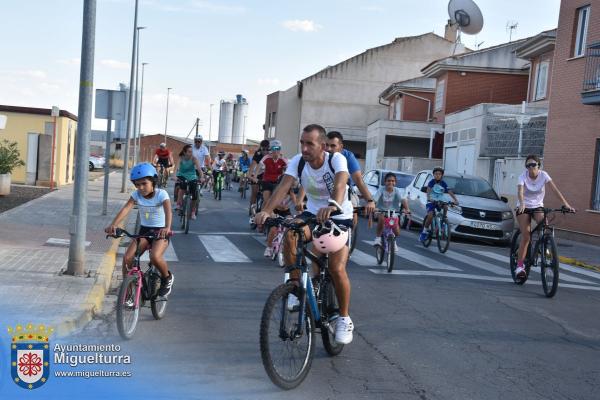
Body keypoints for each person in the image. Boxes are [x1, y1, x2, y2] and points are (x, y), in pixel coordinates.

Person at [255, 124, 355, 345]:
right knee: (291, 233)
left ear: (322, 146)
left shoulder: (335, 160)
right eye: (302, 142)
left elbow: (340, 183)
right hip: (312, 213)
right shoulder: (298, 161)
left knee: (337, 269)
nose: (305, 147)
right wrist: (266, 211)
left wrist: (333, 205)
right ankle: (294, 288)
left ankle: (345, 319)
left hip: (338, 215)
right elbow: (284, 186)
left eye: (310, 143)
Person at [104, 163, 174, 297]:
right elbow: (126, 208)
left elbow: (168, 211)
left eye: (144, 183)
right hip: (144, 231)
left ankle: (167, 278)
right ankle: (128, 294)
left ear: (153, 181)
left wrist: (167, 227)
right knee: (127, 258)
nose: (140, 188)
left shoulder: (161, 194)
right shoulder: (137, 195)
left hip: (160, 231)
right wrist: (114, 225)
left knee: (154, 256)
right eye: (137, 185)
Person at [514, 155, 575, 279]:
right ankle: (520, 267)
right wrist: (522, 203)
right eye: (528, 165)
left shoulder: (544, 175)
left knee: (545, 227)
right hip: (523, 207)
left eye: (533, 165)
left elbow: (555, 190)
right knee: (526, 235)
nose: (530, 168)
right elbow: (520, 191)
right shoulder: (522, 176)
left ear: (538, 166)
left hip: (537, 206)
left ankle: (545, 248)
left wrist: (566, 204)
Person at [326, 131, 376, 221]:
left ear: (341, 147)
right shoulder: (320, 155)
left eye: (333, 146)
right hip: (324, 190)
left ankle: (350, 231)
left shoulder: (348, 156)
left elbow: (358, 180)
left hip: (346, 190)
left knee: (352, 213)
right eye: (326, 145)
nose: (328, 149)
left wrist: (370, 201)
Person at [372, 172, 411, 251]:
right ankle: (378, 238)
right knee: (382, 219)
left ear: (395, 182)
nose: (390, 182)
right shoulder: (381, 189)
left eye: (393, 181)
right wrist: (374, 207)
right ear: (385, 182)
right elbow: (374, 200)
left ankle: (393, 241)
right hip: (381, 211)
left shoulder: (396, 190)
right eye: (388, 181)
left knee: (397, 232)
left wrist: (407, 209)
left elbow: (403, 200)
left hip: (393, 212)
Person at [419, 167, 459, 242]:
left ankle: (443, 222)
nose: (437, 175)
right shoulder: (431, 182)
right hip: (431, 201)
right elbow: (428, 191)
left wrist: (455, 200)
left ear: (442, 175)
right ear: (433, 175)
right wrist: (429, 198)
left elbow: (449, 191)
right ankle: (424, 232)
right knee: (430, 216)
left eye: (439, 174)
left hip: (440, 200)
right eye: (436, 174)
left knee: (446, 207)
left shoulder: (443, 183)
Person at [264, 175, 298, 258]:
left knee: (290, 228)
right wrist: (271, 213)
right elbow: (268, 203)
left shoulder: (291, 192)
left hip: (285, 212)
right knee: (273, 230)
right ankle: (268, 248)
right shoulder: (276, 191)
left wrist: (300, 212)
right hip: (274, 211)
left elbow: (297, 204)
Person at [174, 144, 203, 220]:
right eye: (189, 152)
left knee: (194, 194)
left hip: (192, 176)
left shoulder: (194, 159)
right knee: (182, 186)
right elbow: (176, 168)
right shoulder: (181, 158)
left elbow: (199, 170)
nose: (191, 153)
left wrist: (202, 177)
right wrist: (174, 176)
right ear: (184, 152)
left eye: (191, 151)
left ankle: (193, 211)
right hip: (182, 175)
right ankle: (179, 204)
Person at [259, 140, 288, 209]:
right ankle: (261, 215)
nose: (275, 150)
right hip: (266, 181)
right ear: (271, 149)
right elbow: (259, 167)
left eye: (278, 148)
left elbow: (289, 170)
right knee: (266, 200)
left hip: (277, 182)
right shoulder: (266, 157)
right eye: (274, 148)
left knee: (276, 201)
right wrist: (254, 176)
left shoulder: (283, 158)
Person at [249, 139, 271, 210]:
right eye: (263, 149)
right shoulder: (257, 154)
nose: (265, 151)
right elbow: (252, 166)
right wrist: (250, 176)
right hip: (256, 174)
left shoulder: (271, 154)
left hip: (266, 174)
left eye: (267, 149)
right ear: (260, 148)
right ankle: (252, 209)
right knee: (254, 193)